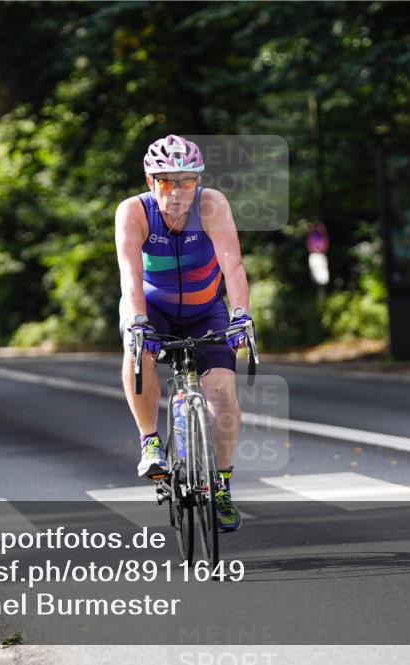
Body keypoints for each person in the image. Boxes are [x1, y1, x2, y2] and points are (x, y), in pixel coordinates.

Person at [115, 134, 253, 533]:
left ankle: (222, 486)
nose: (176, 193)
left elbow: (233, 265)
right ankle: (150, 442)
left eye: (186, 181)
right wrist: (139, 321)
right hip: (151, 307)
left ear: (198, 181)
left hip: (204, 310)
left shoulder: (212, 205)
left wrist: (241, 315)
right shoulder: (134, 211)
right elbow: (130, 275)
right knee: (137, 348)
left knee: (222, 393)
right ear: (150, 181)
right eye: (166, 182)